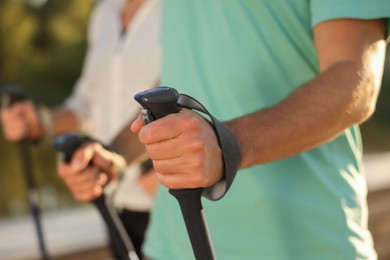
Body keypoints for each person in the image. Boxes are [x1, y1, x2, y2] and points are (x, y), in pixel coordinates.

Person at [130, 1, 390, 259]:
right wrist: (115, 156)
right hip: (173, 245)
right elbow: (182, 73)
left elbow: (354, 80)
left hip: (304, 246)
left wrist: (226, 144)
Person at [1, 0, 161, 258]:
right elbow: (87, 104)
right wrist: (41, 122)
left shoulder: (182, 11)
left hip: (169, 200)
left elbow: (192, 94)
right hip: (113, 197)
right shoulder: (105, 12)